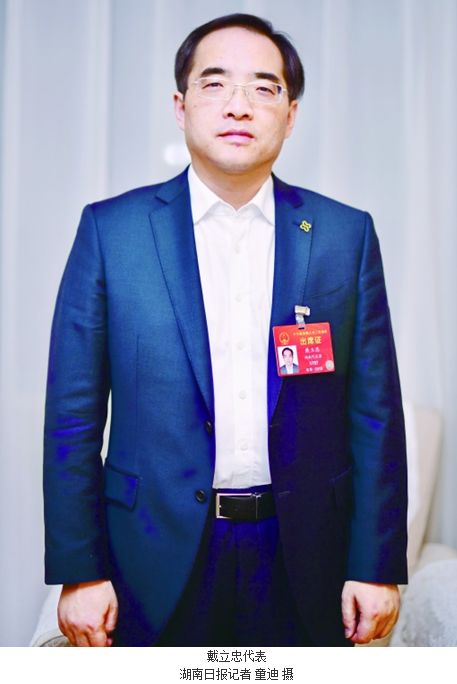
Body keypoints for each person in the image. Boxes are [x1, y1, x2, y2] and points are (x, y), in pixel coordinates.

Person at [43, 13, 407, 647]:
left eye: (264, 87)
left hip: (305, 557)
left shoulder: (343, 236)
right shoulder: (112, 232)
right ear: (180, 106)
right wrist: (80, 569)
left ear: (290, 115)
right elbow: (72, 417)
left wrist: (376, 564)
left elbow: (374, 414)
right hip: (150, 557)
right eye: (215, 84)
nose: (239, 105)